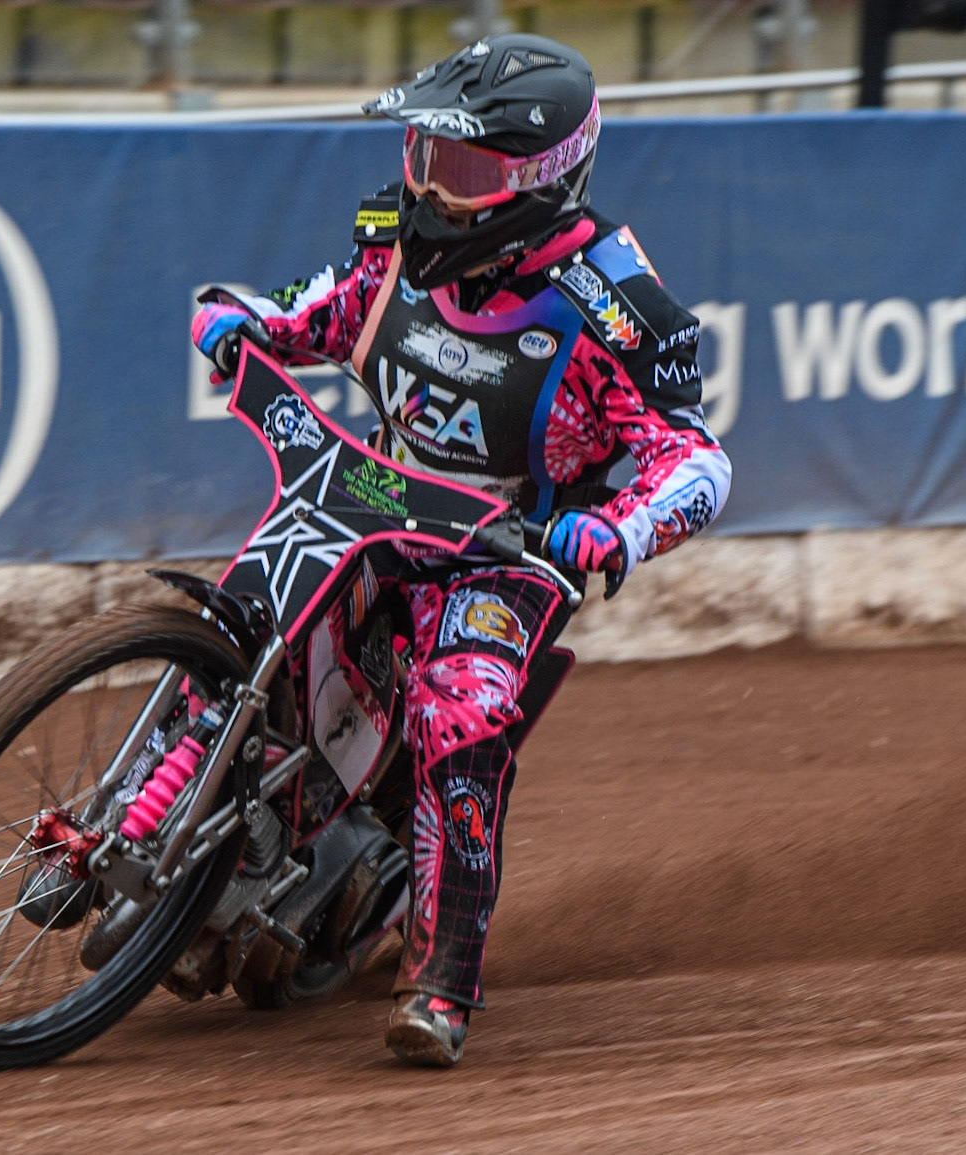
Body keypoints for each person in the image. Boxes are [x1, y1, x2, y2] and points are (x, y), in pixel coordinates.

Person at [191, 33, 731, 1067]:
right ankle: (155, 826)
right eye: (430, 159)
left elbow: (696, 459)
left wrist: (614, 527)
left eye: (469, 172)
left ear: (543, 181)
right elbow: (325, 311)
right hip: (374, 506)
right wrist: (249, 319)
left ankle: (440, 982)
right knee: (248, 614)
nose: (436, 188)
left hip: (503, 554)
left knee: (459, 704)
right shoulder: (395, 236)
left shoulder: (613, 306)